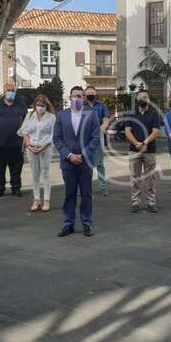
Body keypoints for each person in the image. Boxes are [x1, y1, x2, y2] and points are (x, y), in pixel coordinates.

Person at [52, 86, 101, 237]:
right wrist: (69, 155)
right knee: (69, 193)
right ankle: (68, 224)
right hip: (68, 163)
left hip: (85, 162)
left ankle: (87, 223)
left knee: (86, 193)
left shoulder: (91, 115)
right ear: (69, 97)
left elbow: (96, 138)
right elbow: (57, 138)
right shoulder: (61, 116)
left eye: (80, 96)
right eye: (74, 96)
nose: (77, 99)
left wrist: (83, 154)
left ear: (83, 98)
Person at [0, 80, 27, 198]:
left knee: (16, 168)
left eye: (12, 90)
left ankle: (16, 188)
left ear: (16, 91)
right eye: (8, 91)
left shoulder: (21, 104)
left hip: (17, 143)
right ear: (4, 92)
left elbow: (26, 121)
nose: (10, 92)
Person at [18, 95, 56, 213]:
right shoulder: (30, 116)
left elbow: (53, 135)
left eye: (42, 106)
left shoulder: (52, 117)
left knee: (45, 173)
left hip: (46, 147)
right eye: (38, 105)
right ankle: (36, 200)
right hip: (31, 148)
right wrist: (29, 145)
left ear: (47, 106)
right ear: (34, 105)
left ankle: (47, 200)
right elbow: (24, 131)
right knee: (35, 174)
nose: (40, 108)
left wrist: (42, 147)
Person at [124, 89, 161, 213]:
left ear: (148, 99)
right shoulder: (131, 114)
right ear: (137, 99)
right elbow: (127, 131)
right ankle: (135, 202)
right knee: (135, 177)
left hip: (150, 150)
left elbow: (156, 131)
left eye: (145, 97)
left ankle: (151, 201)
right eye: (141, 97)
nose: (143, 99)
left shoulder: (154, 114)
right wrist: (136, 143)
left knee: (150, 177)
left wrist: (144, 143)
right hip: (134, 150)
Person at [83, 86, 110, 196]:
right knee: (85, 164)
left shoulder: (101, 105)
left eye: (92, 92)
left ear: (95, 93)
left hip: (97, 136)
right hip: (84, 137)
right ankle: (85, 188)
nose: (90, 94)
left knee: (99, 163)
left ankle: (103, 188)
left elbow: (106, 120)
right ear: (85, 94)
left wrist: (98, 132)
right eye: (88, 92)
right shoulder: (81, 105)